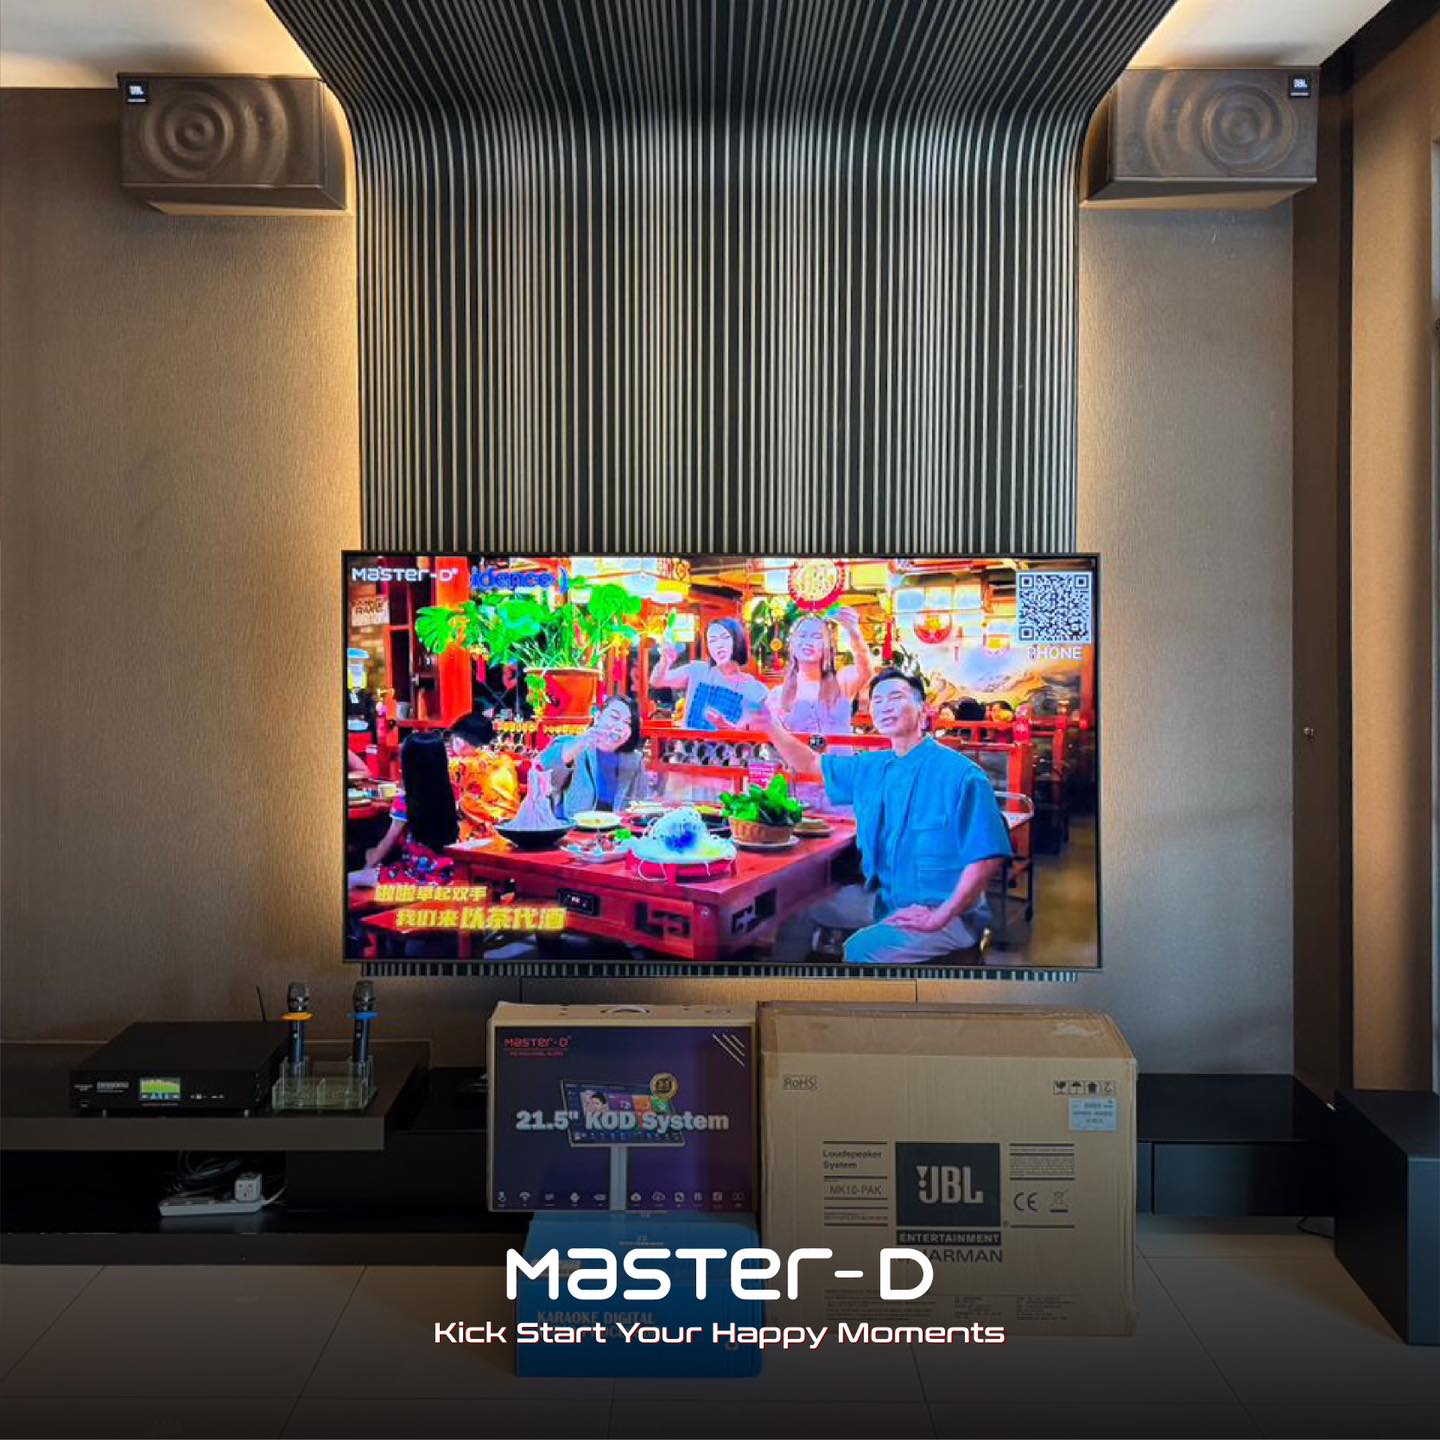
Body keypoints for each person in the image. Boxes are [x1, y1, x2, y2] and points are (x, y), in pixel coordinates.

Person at [762, 669, 1012, 965]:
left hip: (949, 912)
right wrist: (769, 725)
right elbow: (811, 762)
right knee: (795, 912)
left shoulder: (961, 774)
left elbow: (987, 857)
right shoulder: (872, 766)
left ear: (923, 710)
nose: (885, 706)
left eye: (895, 697)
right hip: (886, 901)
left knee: (862, 950)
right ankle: (787, 989)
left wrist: (940, 916)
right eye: (877, 701)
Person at [349, 730, 459, 889]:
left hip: (417, 877)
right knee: (370, 853)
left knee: (350, 878)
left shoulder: (406, 800)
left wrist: (367, 868)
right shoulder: (456, 792)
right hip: (449, 873)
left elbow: (389, 841)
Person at [538, 695, 651, 818]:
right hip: (572, 827)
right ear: (598, 717)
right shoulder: (574, 747)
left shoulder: (634, 760)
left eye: (627, 723)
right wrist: (583, 741)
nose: (620, 727)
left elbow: (642, 802)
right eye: (614, 717)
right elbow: (543, 769)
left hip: (617, 827)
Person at [767, 607, 874, 735]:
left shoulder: (841, 683)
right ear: (792, 645)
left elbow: (866, 671)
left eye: (816, 637)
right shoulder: (778, 695)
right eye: (802, 636)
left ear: (827, 647)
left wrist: (854, 633)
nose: (808, 642)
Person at [650, 618, 768, 731]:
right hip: (688, 744)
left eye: (725, 638)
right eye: (712, 640)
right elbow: (657, 681)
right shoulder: (698, 670)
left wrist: (725, 725)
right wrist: (665, 662)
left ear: (738, 641)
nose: (719, 645)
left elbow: (757, 732)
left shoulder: (756, 690)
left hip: (727, 745)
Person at [446, 710, 520, 839]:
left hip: (483, 833)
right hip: (512, 828)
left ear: (459, 741)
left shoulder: (461, 765)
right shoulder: (506, 760)